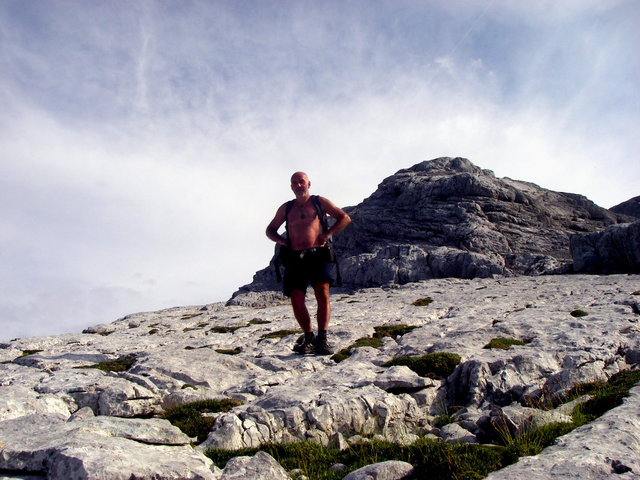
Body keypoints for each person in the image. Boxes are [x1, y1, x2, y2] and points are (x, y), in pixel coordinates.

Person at [266, 172, 351, 355]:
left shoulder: (319, 202)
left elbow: (344, 218)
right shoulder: (287, 208)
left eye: (301, 182)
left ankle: (322, 339)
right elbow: (270, 229)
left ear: (308, 184)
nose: (298, 185)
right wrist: (282, 241)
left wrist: (327, 234)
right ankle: (309, 338)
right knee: (296, 299)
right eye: (294, 183)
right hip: (294, 258)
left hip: (318, 254)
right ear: (291, 187)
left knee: (322, 293)